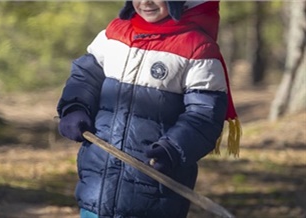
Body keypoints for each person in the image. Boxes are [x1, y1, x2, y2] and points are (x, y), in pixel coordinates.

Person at [56, 0, 241, 217]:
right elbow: (85, 77)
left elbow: (204, 115)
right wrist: (75, 106)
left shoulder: (196, 48)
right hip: (97, 185)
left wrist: (173, 149)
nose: (146, 2)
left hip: (154, 192)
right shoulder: (114, 34)